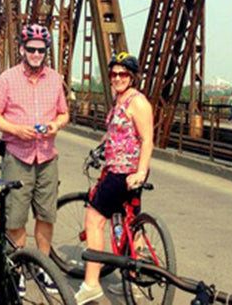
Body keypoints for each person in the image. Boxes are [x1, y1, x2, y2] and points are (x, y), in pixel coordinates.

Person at [0, 24, 69, 292]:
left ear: (46, 52)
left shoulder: (55, 79)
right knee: (16, 217)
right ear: (22, 49)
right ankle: (17, 270)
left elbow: (63, 113)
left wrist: (57, 125)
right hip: (18, 156)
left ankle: (43, 267)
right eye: (31, 49)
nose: (36, 54)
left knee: (46, 215)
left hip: (47, 156)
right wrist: (14, 129)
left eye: (41, 50)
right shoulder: (8, 78)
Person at [74, 52, 153, 305]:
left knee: (94, 219)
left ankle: (91, 283)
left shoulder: (138, 103)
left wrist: (140, 172)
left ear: (132, 77)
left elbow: (147, 140)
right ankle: (134, 277)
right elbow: (115, 134)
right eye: (114, 74)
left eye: (123, 74)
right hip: (118, 169)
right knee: (129, 222)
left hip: (124, 172)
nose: (117, 78)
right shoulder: (120, 100)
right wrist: (100, 148)